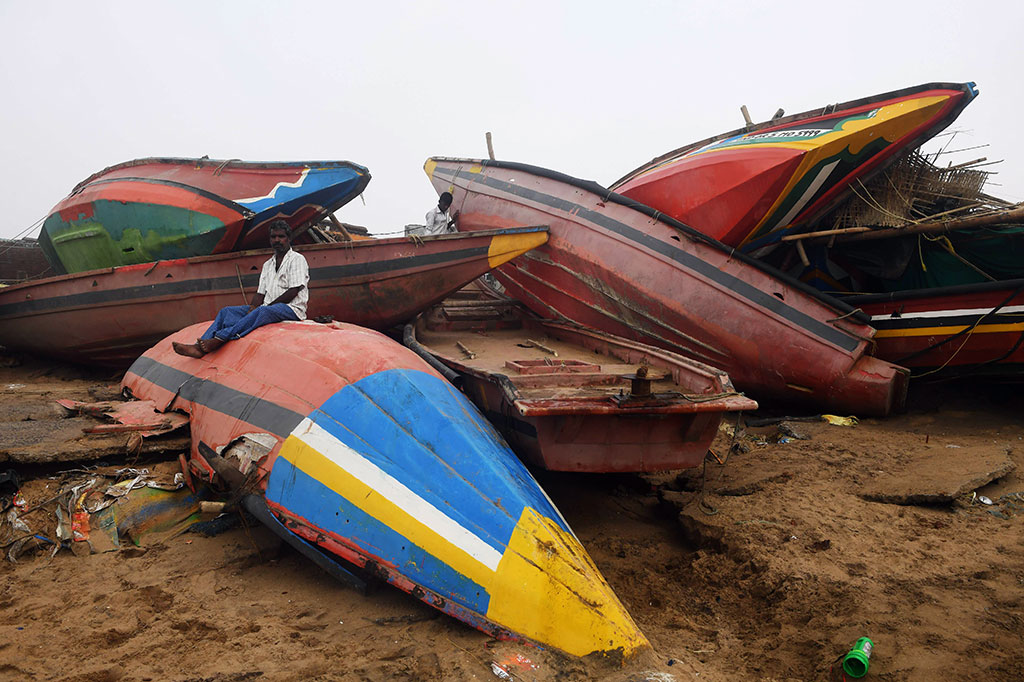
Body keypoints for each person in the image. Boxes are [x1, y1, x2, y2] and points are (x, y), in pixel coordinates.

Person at [172, 220, 309, 358]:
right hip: (268, 308)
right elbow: (260, 293)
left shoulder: (297, 259)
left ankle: (219, 339)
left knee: (262, 311)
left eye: (281, 236)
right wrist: (252, 307)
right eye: (273, 237)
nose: (277, 240)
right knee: (226, 311)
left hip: (291, 309)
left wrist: (263, 308)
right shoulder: (268, 264)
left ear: (289, 238)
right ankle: (198, 347)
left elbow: (294, 290)